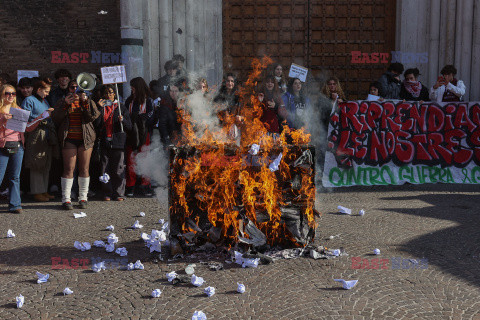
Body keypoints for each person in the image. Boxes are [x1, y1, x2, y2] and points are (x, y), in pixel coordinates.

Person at [0, 85, 52, 213]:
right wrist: (2, 119)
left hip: (17, 145)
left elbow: (27, 127)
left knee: (15, 177)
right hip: (2, 146)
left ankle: (15, 205)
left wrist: (41, 117)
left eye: (13, 93)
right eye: (7, 93)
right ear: (2, 94)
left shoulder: (17, 110)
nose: (11, 96)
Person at [51, 80, 100, 210]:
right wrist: (65, 105)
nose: (75, 90)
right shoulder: (62, 101)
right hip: (69, 139)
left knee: (84, 168)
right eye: (72, 87)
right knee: (69, 168)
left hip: (86, 139)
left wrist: (85, 103)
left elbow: (92, 117)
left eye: (78, 88)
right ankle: (66, 199)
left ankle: (83, 197)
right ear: (69, 89)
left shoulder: (88, 101)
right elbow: (56, 118)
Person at [21, 78, 57, 202]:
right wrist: (44, 115)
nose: (47, 94)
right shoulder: (29, 100)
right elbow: (25, 120)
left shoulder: (44, 101)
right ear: (39, 89)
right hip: (36, 134)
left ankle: (43, 190)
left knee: (45, 163)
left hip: (46, 135)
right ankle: (37, 191)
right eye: (46, 91)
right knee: (37, 162)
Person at [95, 85, 132, 201]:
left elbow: (129, 126)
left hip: (118, 142)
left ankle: (119, 193)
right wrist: (99, 108)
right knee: (104, 168)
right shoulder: (101, 107)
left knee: (119, 168)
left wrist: (123, 120)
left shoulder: (121, 107)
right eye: (106, 93)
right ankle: (107, 192)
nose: (108, 95)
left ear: (114, 94)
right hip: (105, 141)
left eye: (111, 92)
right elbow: (96, 124)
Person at [125, 77, 156, 197]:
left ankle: (145, 185)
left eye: (133, 87)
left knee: (145, 158)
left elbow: (151, 116)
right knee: (130, 159)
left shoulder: (148, 101)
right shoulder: (129, 101)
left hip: (144, 133)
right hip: (131, 134)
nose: (132, 89)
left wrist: (141, 120)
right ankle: (130, 185)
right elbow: (126, 115)